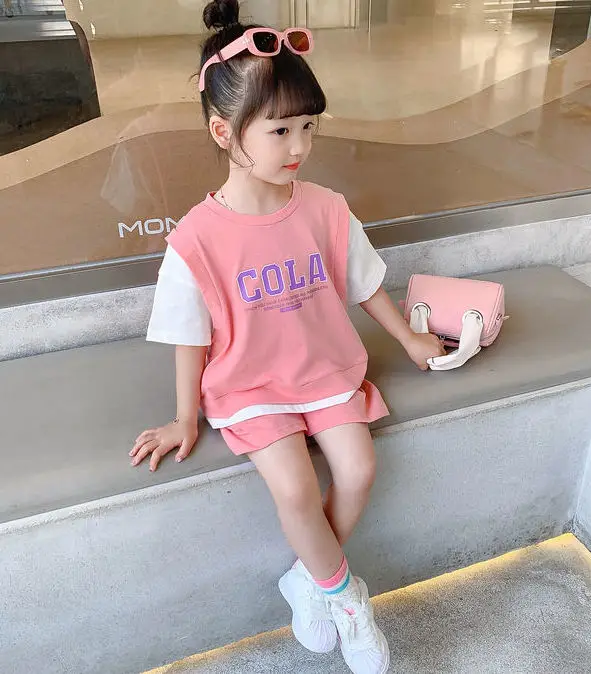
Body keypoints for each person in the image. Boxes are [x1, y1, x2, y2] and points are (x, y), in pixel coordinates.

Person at [129, 2, 444, 672]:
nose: (299, 146)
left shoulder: (326, 208)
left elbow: (363, 283)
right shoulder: (195, 240)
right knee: (297, 491)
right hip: (249, 386)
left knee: (359, 469)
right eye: (279, 131)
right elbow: (190, 337)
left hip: (325, 368)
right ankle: (349, 600)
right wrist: (186, 417)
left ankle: (308, 580)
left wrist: (408, 339)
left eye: (308, 127)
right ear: (223, 131)